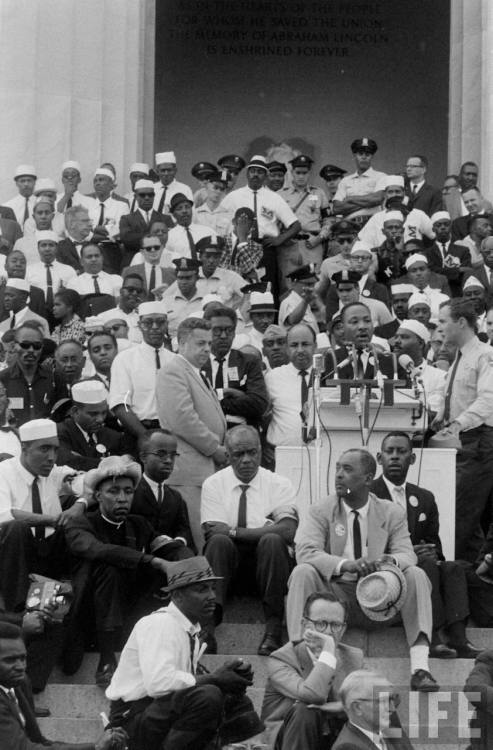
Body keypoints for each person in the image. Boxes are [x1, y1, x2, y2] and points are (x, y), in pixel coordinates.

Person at [287, 448, 438, 692]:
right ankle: (300, 658)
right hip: (336, 597)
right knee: (302, 572)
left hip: (381, 597)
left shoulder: (391, 512)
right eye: (337, 468)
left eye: (347, 470)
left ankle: (420, 669)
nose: (338, 475)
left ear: (368, 479)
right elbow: (306, 551)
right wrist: (345, 565)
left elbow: (407, 553)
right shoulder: (321, 509)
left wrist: (385, 563)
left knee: (417, 574)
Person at [107, 556, 260, 750]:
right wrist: (214, 678)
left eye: (212, 588)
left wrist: (227, 678)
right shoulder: (160, 624)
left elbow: (184, 684)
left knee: (234, 697)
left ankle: (251, 746)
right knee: (207, 696)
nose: (212, 596)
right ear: (177, 596)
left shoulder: (188, 629)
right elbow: (159, 684)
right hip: (131, 721)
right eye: (201, 589)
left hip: (156, 712)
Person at [64, 455, 171, 687]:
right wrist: (151, 560)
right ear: (98, 495)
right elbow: (97, 550)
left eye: (128, 491)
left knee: (164, 572)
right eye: (113, 491)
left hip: (129, 609)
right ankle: (106, 660)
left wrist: (184, 559)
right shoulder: (81, 523)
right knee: (110, 569)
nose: (122, 499)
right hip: (90, 616)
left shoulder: (138, 524)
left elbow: (166, 547)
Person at [372, 431, 480, 659]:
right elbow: (365, 541)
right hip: (387, 567)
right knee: (425, 566)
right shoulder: (369, 495)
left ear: (412, 459)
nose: (394, 457)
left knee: (453, 567)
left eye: (401, 452)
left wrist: (431, 550)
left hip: (420, 563)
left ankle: (459, 638)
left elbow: (435, 544)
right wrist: (410, 552)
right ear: (379, 458)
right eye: (389, 452)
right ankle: (432, 636)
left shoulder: (425, 498)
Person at [202, 425, 298, 655]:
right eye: (238, 454)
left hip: (270, 569)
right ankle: (207, 630)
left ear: (260, 450)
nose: (246, 460)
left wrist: (233, 531)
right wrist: (263, 528)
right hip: (229, 570)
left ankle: (273, 629)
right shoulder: (214, 484)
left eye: (252, 453)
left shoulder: (279, 483)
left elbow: (287, 530)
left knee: (273, 542)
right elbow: (214, 532)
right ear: (227, 455)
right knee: (219, 543)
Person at [0, 418, 86, 611]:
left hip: (47, 551)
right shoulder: (3, 472)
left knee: (77, 518)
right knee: (16, 528)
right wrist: (52, 520)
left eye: (56, 450)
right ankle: (19, 609)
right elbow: (5, 515)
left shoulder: (53, 472)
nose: (52, 457)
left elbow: (86, 480)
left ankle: (74, 599)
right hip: (13, 553)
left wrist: (80, 504)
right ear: (24, 448)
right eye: (44, 449)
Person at [0, 621, 128, 750]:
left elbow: (39, 741)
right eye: (9, 660)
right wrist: (96, 747)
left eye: (23, 658)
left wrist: (95, 746)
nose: (20, 667)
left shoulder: (19, 684)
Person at [156, 317, 227, 546]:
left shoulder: (195, 372)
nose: (207, 349)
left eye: (208, 343)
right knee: (197, 540)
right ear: (181, 343)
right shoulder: (173, 371)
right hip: (188, 472)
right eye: (200, 343)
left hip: (204, 470)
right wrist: (215, 448)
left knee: (207, 538)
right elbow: (182, 419)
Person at [261, 591, 364, 750]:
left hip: (334, 738)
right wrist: (328, 650)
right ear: (304, 625)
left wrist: (343, 707)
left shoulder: (353, 657)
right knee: (305, 710)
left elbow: (380, 699)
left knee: (383, 704)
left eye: (336, 625)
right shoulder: (282, 658)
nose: (329, 632)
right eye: (321, 623)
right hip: (290, 739)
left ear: (343, 629)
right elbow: (311, 695)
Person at [432, 298, 493, 561]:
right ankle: (471, 579)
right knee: (461, 515)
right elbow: (456, 395)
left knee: (461, 513)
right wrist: (440, 416)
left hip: (477, 440)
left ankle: (459, 573)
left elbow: (488, 399)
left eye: (443, 321)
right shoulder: (459, 356)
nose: (439, 326)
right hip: (459, 440)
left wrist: (458, 422)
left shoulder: (484, 355)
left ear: (460, 322)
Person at [220, 155, 301, 296]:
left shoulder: (274, 197)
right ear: (247, 173)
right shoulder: (234, 197)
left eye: (260, 172)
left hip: (265, 249)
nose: (255, 175)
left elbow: (295, 225)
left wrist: (279, 239)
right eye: (253, 171)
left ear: (265, 175)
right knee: (240, 289)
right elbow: (220, 223)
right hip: (240, 248)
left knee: (268, 289)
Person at [109, 301, 175, 442]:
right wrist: (145, 437)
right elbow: (121, 406)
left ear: (167, 324)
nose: (155, 327)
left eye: (160, 322)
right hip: (138, 431)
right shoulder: (125, 359)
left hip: (174, 433)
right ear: (139, 325)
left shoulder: (176, 361)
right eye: (148, 322)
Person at [201, 305, 268, 429]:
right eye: (217, 330)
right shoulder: (198, 364)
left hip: (243, 433)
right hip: (206, 433)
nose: (223, 335)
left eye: (229, 330)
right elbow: (193, 403)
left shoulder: (248, 362)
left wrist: (213, 398)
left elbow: (258, 404)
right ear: (207, 332)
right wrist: (235, 394)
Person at [132, 428, 195, 554]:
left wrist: (180, 541)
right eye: (161, 454)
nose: (168, 460)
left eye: (173, 455)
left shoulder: (175, 497)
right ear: (143, 457)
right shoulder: (132, 492)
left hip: (170, 557)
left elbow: (183, 529)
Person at [265, 323, 316, 454]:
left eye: (305, 344)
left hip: (318, 452)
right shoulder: (272, 378)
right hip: (281, 453)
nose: (300, 350)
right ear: (287, 348)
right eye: (294, 345)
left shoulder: (326, 376)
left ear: (315, 346)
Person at [333, 670, 414, 750]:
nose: (392, 709)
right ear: (357, 707)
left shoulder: (394, 734)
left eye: (392, 699)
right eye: (383, 701)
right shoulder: (347, 747)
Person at [56, 380, 126, 470]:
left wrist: (82, 460)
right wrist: (110, 464)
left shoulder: (113, 437)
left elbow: (125, 464)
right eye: (93, 414)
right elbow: (67, 462)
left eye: (104, 413)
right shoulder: (60, 432)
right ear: (75, 411)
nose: (100, 419)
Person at [322, 302, 397, 382]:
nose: (362, 327)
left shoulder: (389, 360)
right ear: (343, 327)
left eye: (367, 321)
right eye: (354, 322)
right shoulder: (332, 358)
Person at [279, 154, 329, 269]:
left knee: (314, 281)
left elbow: (328, 220)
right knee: (288, 283)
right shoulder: (281, 194)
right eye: (298, 173)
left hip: (313, 243)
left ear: (309, 173)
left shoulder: (318, 193)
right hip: (288, 245)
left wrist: (320, 237)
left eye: (304, 173)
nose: (301, 176)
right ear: (292, 172)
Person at [0, 323, 54, 426]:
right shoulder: (2, 379)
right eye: (25, 345)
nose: (31, 350)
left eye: (36, 346)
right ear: (14, 346)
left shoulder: (54, 379)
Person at [392, 319, 446, 413]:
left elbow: (434, 413)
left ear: (420, 344)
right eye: (396, 337)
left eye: (404, 337)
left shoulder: (439, 377)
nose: (397, 341)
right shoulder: (384, 373)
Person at [332, 138, 387, 222]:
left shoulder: (381, 177)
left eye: (367, 154)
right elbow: (337, 208)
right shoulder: (345, 181)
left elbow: (378, 199)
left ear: (372, 156)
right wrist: (369, 202)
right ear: (355, 156)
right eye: (360, 154)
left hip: (373, 222)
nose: (364, 157)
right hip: (350, 225)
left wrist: (350, 199)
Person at [26, 230, 77, 318]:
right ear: (38, 248)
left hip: (61, 315)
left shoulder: (68, 270)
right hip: (36, 313)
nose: (47, 249)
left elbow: (73, 295)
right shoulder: (29, 270)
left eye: (51, 245)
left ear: (57, 248)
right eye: (43, 245)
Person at [119, 179, 169, 265]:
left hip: (160, 261)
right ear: (135, 197)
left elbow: (168, 241)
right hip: (134, 262)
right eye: (142, 195)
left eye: (150, 195)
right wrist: (155, 234)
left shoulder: (165, 218)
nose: (147, 198)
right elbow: (127, 239)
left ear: (154, 196)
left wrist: (139, 235)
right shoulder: (126, 219)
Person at [425, 210, 472, 296]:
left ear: (451, 226)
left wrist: (440, 271)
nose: (443, 227)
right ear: (433, 228)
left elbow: (466, 274)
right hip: (436, 294)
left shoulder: (463, 250)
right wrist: (458, 270)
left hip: (458, 293)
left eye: (446, 224)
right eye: (438, 225)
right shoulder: (427, 253)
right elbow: (431, 273)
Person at [196, 236, 245, 309]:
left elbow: (251, 296)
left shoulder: (231, 277)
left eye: (216, 257)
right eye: (207, 256)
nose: (211, 261)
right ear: (200, 257)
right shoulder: (191, 276)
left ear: (220, 258)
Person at [123, 235, 173, 300]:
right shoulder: (129, 272)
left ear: (162, 248)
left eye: (156, 247)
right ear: (142, 252)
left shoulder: (172, 273)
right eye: (148, 248)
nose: (153, 250)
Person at [166, 193, 212, 259]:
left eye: (187, 207)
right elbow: (166, 262)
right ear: (173, 214)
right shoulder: (169, 237)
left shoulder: (207, 231)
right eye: (179, 208)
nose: (184, 211)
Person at [87, 168, 129, 241]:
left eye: (101, 180)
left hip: (112, 248)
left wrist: (93, 228)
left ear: (111, 185)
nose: (97, 183)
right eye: (95, 181)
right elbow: (82, 231)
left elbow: (119, 231)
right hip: (89, 248)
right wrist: (107, 230)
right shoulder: (86, 205)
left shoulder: (122, 206)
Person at [279, 264, 320, 334]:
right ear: (294, 283)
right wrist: (305, 301)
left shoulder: (304, 302)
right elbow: (292, 321)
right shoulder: (289, 302)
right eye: (308, 284)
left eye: (313, 284)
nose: (311, 288)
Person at [152, 150, 194, 216]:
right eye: (163, 170)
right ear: (157, 171)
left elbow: (191, 213)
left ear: (175, 170)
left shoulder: (185, 189)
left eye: (169, 170)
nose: (166, 173)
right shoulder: (151, 189)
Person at [192, 169, 231, 237]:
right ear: (207, 187)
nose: (218, 192)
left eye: (222, 189)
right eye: (215, 187)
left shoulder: (229, 215)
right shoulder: (195, 214)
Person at [56, 205, 93, 272]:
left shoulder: (95, 247)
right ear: (71, 224)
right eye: (85, 221)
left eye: (89, 221)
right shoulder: (59, 248)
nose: (90, 224)